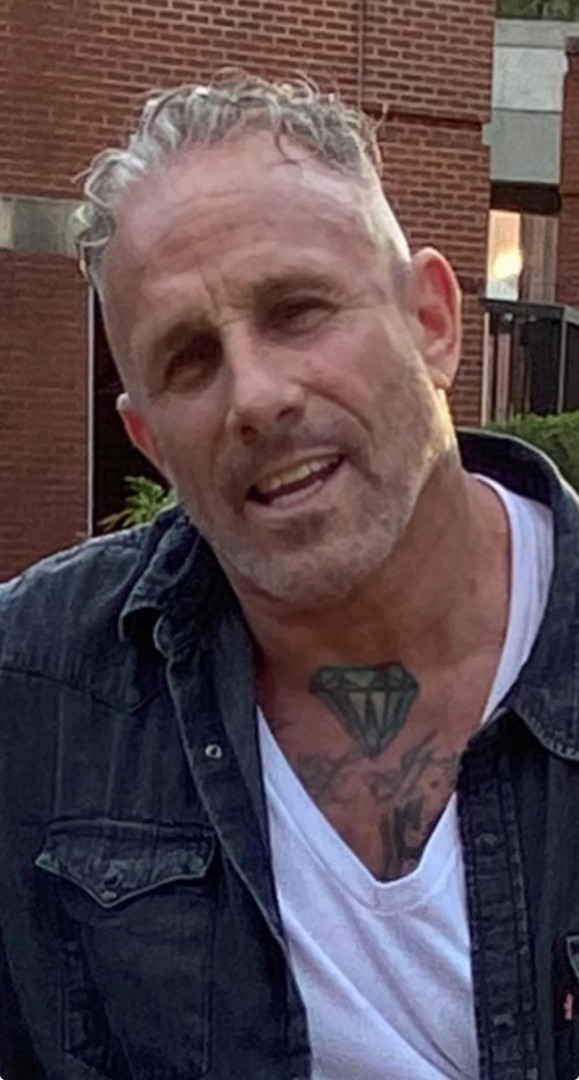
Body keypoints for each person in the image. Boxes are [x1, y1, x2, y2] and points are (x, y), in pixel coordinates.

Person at [0, 69, 578, 1080]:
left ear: (432, 322)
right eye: (188, 359)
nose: (256, 397)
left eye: (298, 310)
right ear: (150, 441)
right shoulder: (37, 694)